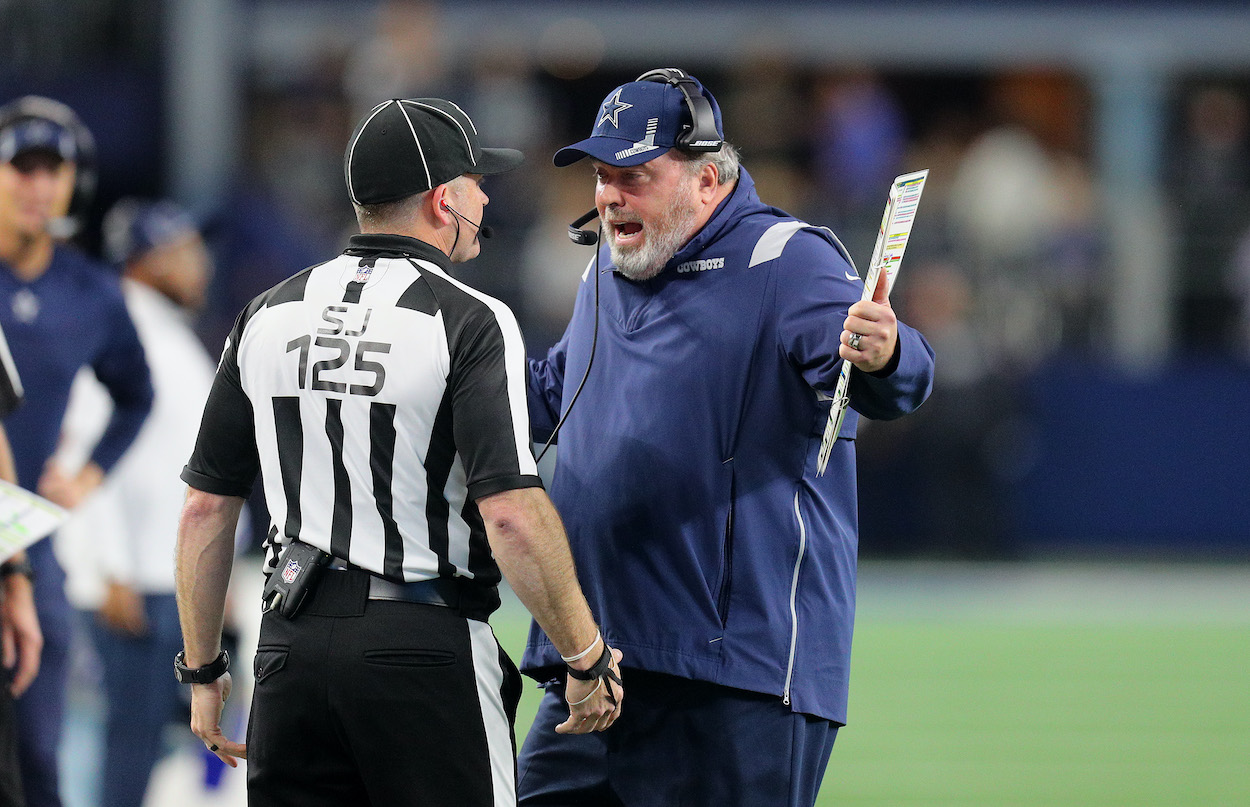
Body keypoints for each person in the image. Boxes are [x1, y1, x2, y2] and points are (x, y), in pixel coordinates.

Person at [175, 97, 624, 807]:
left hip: (288, 644)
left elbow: (205, 507)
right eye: (477, 183)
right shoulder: (471, 318)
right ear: (445, 200)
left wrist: (203, 671)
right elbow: (509, 512)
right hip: (421, 641)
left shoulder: (267, 310)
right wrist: (585, 651)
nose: (486, 197)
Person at [518, 69, 936, 806]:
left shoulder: (786, 259)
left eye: (634, 176)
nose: (609, 195)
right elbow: (554, 396)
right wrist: (448, 366)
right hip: (597, 663)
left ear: (707, 179)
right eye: (601, 175)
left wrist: (888, 352)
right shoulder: (605, 274)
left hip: (733, 680)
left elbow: (873, 374)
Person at [0, 96, 153, 807]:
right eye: (21, 167)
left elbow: (137, 392)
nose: (38, 186)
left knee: (38, 762)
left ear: (73, 182)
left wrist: (87, 475)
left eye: (51, 170)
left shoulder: (88, 292)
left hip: (29, 548)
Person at [51, 198, 218, 807]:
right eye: (185, 252)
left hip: (164, 574)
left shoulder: (163, 330)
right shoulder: (119, 324)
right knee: (127, 741)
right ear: (150, 259)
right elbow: (83, 453)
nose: (201, 264)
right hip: (134, 577)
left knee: (147, 741)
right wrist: (106, 567)